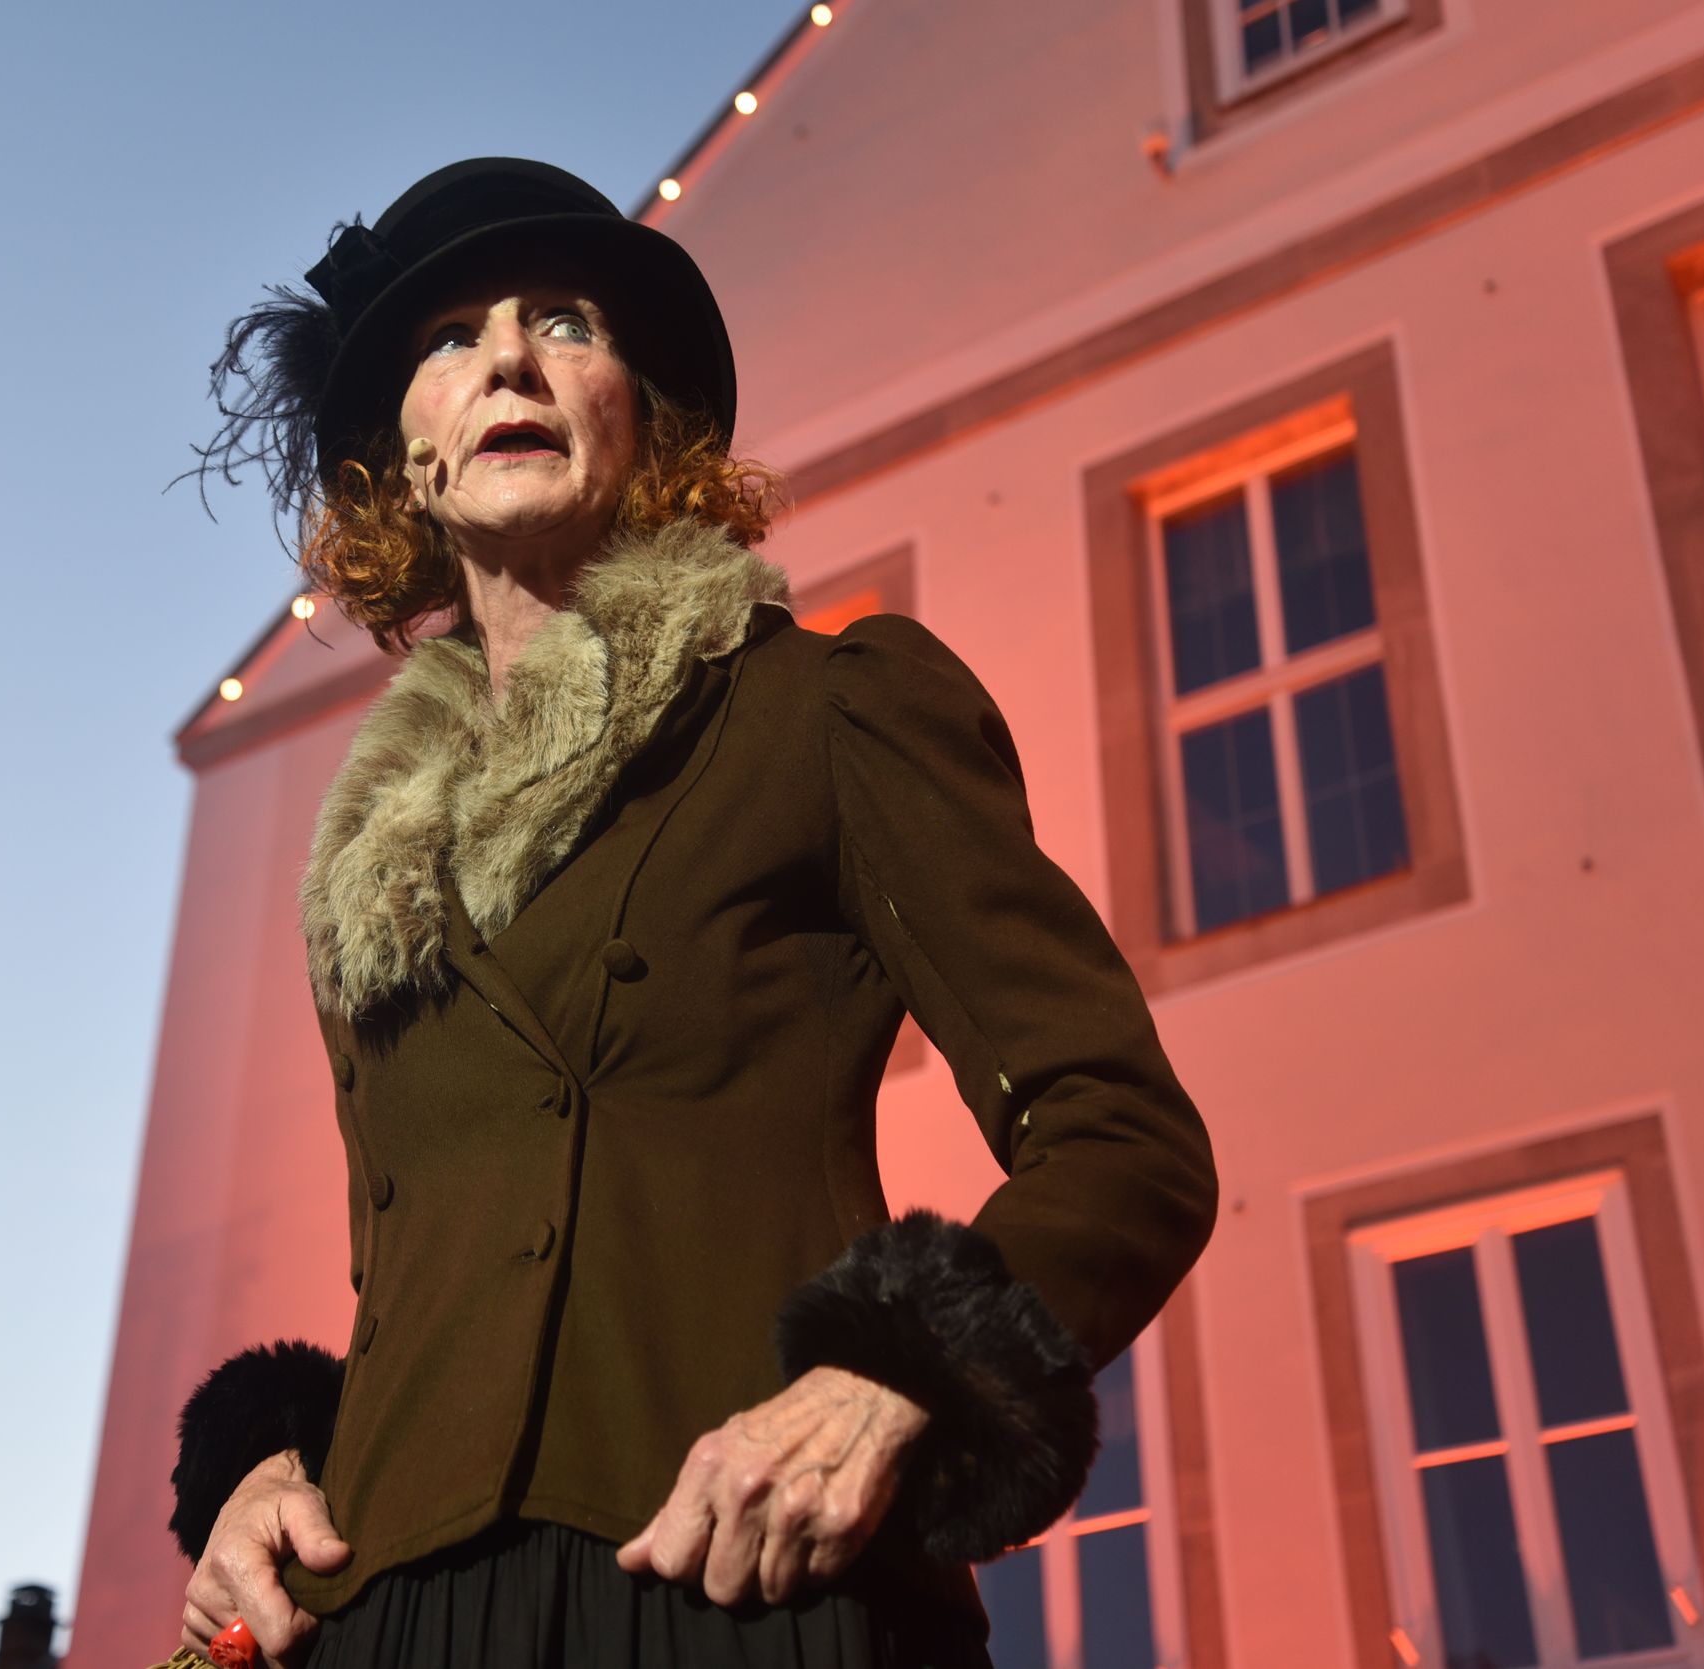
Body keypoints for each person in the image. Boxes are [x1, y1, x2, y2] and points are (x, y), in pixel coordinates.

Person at [164, 157, 1217, 1669]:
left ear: (643, 417)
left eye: (564, 322)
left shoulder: (826, 711)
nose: (508, 360)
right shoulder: (367, 886)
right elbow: (438, 1290)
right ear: (404, 462)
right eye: (451, 338)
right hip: (396, 1623)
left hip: (734, 1589)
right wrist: (270, 1469)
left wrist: (896, 1377)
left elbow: (1125, 1139)